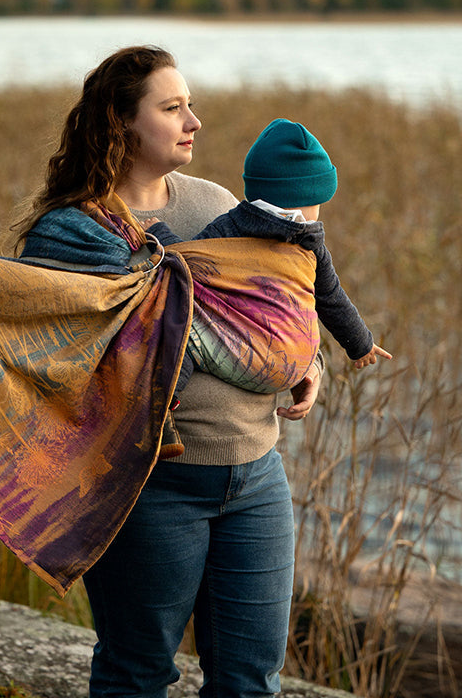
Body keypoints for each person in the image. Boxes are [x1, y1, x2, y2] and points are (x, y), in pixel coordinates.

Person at [0, 45, 322, 698]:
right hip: (150, 486)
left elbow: (279, 300)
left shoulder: (217, 205)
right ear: (122, 121)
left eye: (191, 105)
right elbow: (40, 348)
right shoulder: (72, 233)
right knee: (138, 668)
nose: (194, 121)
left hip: (256, 478)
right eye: (172, 108)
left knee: (251, 677)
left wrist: (310, 360)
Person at [144, 118, 391, 456]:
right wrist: (361, 344)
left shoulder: (233, 224)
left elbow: (189, 266)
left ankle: (160, 415)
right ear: (309, 196)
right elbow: (332, 298)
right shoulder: (310, 244)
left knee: (182, 333)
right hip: (295, 367)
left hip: (240, 356)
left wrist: (159, 233)